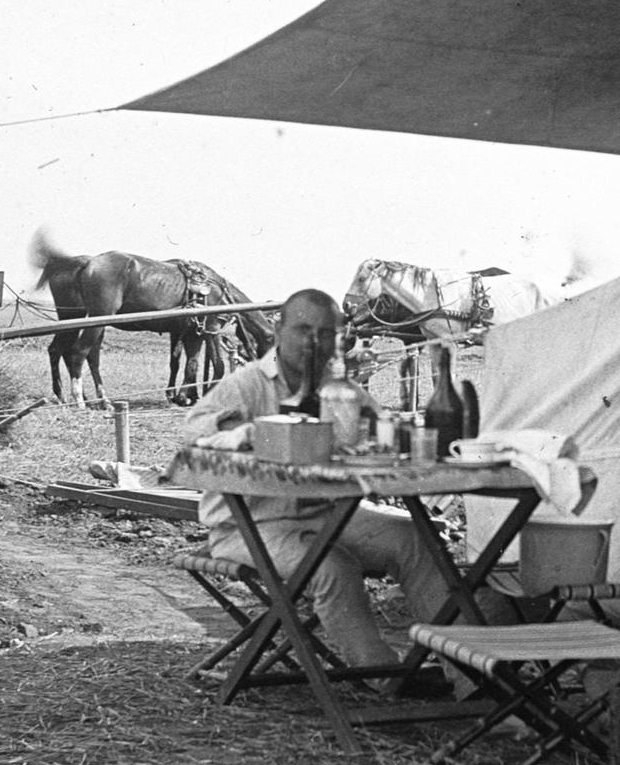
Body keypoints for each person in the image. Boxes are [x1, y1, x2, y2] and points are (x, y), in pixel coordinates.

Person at [181, 287, 460, 685]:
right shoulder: (248, 383)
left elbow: (379, 429)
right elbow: (193, 430)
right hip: (250, 527)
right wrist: (246, 433)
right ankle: (386, 677)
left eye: (326, 333)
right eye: (303, 330)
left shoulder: (338, 386)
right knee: (330, 566)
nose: (314, 342)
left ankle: (466, 675)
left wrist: (392, 437)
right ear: (278, 330)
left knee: (414, 538)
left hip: (328, 514)